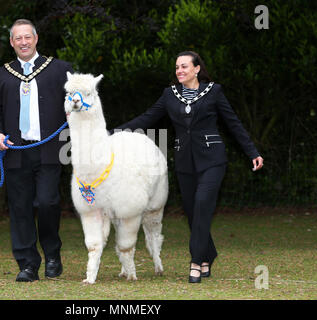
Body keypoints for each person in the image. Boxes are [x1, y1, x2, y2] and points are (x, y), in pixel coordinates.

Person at [113, 51, 263, 283]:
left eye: (184, 66)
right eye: (176, 68)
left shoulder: (214, 92)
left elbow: (233, 122)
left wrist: (252, 151)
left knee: (203, 203)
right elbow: (147, 118)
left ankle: (196, 261)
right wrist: (113, 132)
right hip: (185, 161)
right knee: (193, 213)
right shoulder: (169, 95)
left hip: (212, 159)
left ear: (196, 69)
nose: (179, 71)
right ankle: (208, 254)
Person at [0, 19, 73, 282]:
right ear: (12, 42)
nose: (23, 42)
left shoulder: (59, 69)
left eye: (27, 37)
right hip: (15, 151)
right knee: (20, 208)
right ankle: (27, 264)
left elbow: (77, 101)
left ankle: (53, 255)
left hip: (49, 150)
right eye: (18, 38)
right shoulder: (2, 74)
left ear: (36, 39)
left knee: (47, 202)